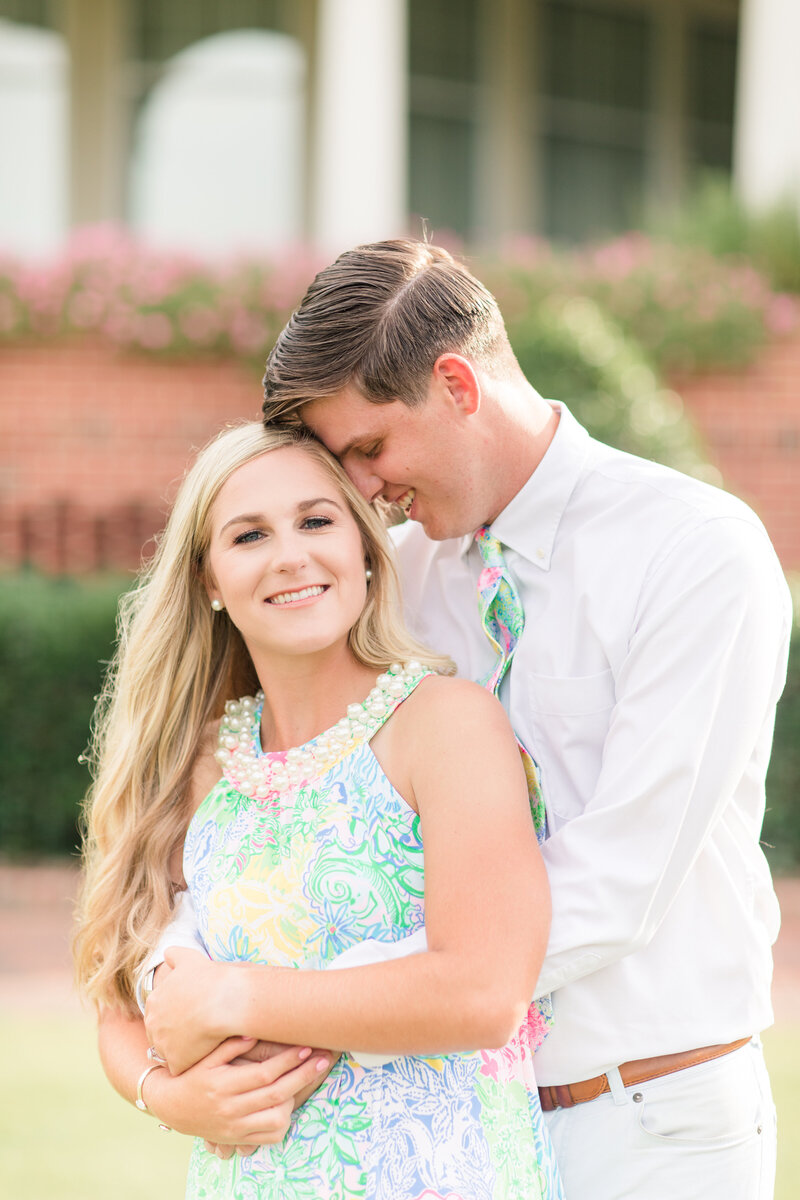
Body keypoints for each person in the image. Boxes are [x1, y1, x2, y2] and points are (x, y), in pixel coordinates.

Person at [253, 238, 792, 1200]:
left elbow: (619, 880)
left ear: (457, 385)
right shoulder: (398, 580)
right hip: (452, 1129)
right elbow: (292, 803)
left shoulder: (695, 551)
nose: (363, 491)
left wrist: (320, 1006)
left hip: (652, 1123)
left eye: (369, 449)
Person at [74, 421, 563, 1200]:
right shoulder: (199, 763)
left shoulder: (444, 724)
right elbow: (121, 996)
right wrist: (164, 1094)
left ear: (365, 546)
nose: (290, 556)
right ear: (208, 579)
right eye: (249, 536)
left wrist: (229, 997)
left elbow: (486, 993)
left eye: (315, 521)